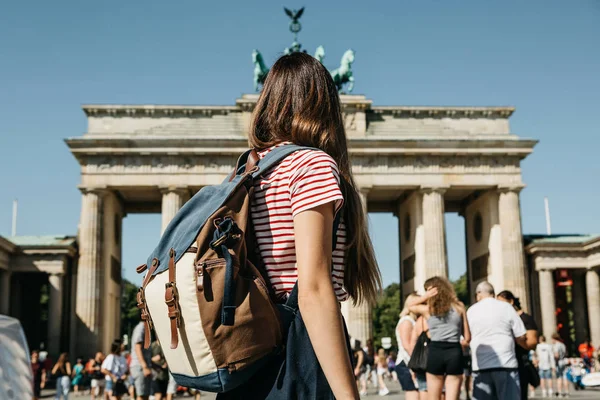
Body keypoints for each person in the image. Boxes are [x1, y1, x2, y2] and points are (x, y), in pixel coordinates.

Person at [217, 51, 382, 398]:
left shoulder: (246, 173)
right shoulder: (311, 165)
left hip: (246, 354)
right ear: (324, 104)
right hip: (297, 349)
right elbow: (313, 290)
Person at [409, 277, 471, 400]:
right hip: (454, 351)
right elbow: (468, 337)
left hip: (435, 352)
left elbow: (410, 306)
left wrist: (425, 297)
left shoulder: (428, 310)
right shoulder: (459, 307)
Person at [467, 282, 527, 399]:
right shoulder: (507, 307)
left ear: (478, 294)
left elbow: (466, 337)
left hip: (481, 367)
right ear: (493, 294)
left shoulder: (471, 311)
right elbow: (521, 335)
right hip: (506, 364)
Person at [497, 290, 539, 400]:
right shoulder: (504, 319)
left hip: (520, 362)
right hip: (505, 362)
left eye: (501, 302)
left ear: (511, 301)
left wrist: (516, 339)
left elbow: (532, 343)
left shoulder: (526, 319)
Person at [395, 293, 421, 400]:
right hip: (406, 363)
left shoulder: (411, 321)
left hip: (409, 362)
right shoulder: (406, 321)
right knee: (413, 394)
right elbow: (407, 346)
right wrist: (415, 366)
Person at [130, 321, 153, 400]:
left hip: (142, 366)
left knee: (145, 395)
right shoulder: (141, 328)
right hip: (140, 367)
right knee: (142, 395)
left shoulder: (145, 328)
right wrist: (145, 367)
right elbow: (137, 348)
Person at [410, 315, 430, 398]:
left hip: (422, 362)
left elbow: (412, 344)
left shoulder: (419, 321)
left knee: (423, 388)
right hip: (439, 357)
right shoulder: (440, 317)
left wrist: (414, 362)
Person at [552, 333, 569, 398]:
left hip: (558, 362)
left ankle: (560, 392)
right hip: (564, 361)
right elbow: (566, 353)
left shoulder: (556, 345)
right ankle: (567, 392)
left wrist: (553, 357)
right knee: (565, 377)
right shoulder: (563, 345)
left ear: (554, 339)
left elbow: (556, 355)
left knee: (559, 377)